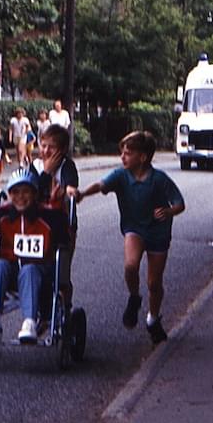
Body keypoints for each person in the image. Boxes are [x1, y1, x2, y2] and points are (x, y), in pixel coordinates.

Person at [77, 130, 186, 345]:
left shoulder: (159, 179)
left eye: (128, 153)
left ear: (142, 157)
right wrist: (82, 194)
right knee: (130, 265)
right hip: (134, 228)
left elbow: (179, 203)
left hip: (158, 232)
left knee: (154, 283)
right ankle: (134, 297)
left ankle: (153, 319)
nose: (122, 157)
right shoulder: (120, 176)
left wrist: (169, 212)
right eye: (122, 153)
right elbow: (100, 185)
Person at [0, 168, 71, 344]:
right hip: (10, 272)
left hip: (39, 273)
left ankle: (29, 323)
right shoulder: (5, 214)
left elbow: (63, 238)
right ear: (9, 194)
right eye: (15, 192)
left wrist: (56, 207)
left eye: (26, 192)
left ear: (35, 194)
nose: (20, 197)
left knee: (29, 269)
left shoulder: (45, 214)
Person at [33, 123, 80, 303]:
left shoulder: (67, 166)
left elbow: (70, 186)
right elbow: (30, 190)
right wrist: (45, 172)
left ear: (61, 150)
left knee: (61, 269)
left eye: (51, 147)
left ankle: (65, 306)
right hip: (37, 223)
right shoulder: (36, 166)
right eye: (43, 145)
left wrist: (70, 191)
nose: (45, 150)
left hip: (62, 224)